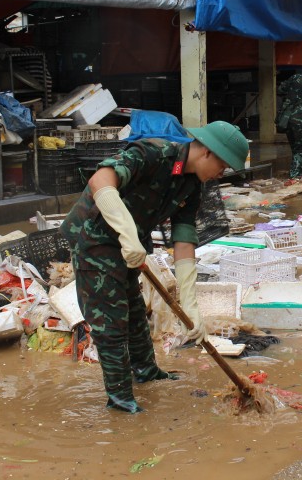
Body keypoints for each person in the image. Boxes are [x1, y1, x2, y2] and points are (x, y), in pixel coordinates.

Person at [60, 121, 248, 413]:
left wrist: (190, 303)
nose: (221, 174)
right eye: (223, 166)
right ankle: (121, 398)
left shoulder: (192, 184)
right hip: (94, 237)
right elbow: (100, 180)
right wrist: (124, 231)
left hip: (130, 242)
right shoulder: (152, 153)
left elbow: (184, 239)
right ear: (208, 153)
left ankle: (146, 371)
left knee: (134, 309)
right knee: (110, 319)